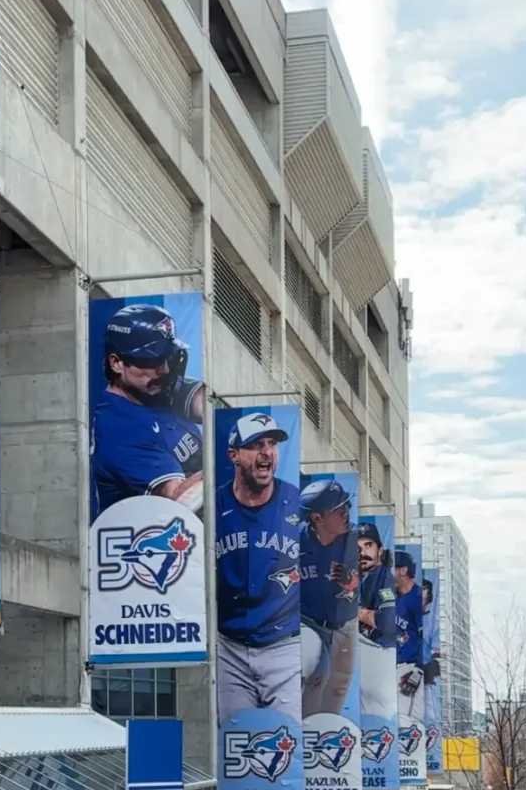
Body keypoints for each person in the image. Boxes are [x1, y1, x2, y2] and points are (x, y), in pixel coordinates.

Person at [213, 413, 302, 720]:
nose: (266, 452)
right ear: (233, 455)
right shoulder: (213, 507)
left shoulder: (297, 503)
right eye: (255, 444)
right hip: (229, 647)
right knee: (236, 740)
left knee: (287, 739)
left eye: (272, 444)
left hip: (284, 645)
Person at [91, 304, 206, 518]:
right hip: (156, 542)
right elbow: (179, 499)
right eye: (152, 360)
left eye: (166, 357)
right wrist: (232, 462)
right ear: (116, 363)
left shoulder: (155, 388)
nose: (164, 369)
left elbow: (208, 407)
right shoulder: (118, 430)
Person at [299, 479, 358, 717]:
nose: (347, 512)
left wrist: (353, 581)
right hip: (307, 621)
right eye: (339, 509)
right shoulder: (295, 541)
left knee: (339, 687)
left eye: (347, 505)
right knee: (316, 670)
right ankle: (300, 728)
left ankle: (323, 730)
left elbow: (380, 586)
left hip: (345, 624)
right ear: (317, 518)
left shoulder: (355, 540)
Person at [354, 520, 397, 721]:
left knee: (378, 723)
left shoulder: (383, 578)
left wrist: (358, 613)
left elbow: (387, 621)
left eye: (368, 545)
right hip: (368, 659)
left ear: (380, 549)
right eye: (358, 548)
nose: (363, 552)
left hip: (379, 656)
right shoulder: (364, 578)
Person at [394, 552, 426, 721]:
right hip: (395, 667)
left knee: (408, 721)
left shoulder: (418, 597)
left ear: (403, 570)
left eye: (392, 568)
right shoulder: (396, 599)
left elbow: (425, 637)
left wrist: (419, 670)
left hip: (411, 669)